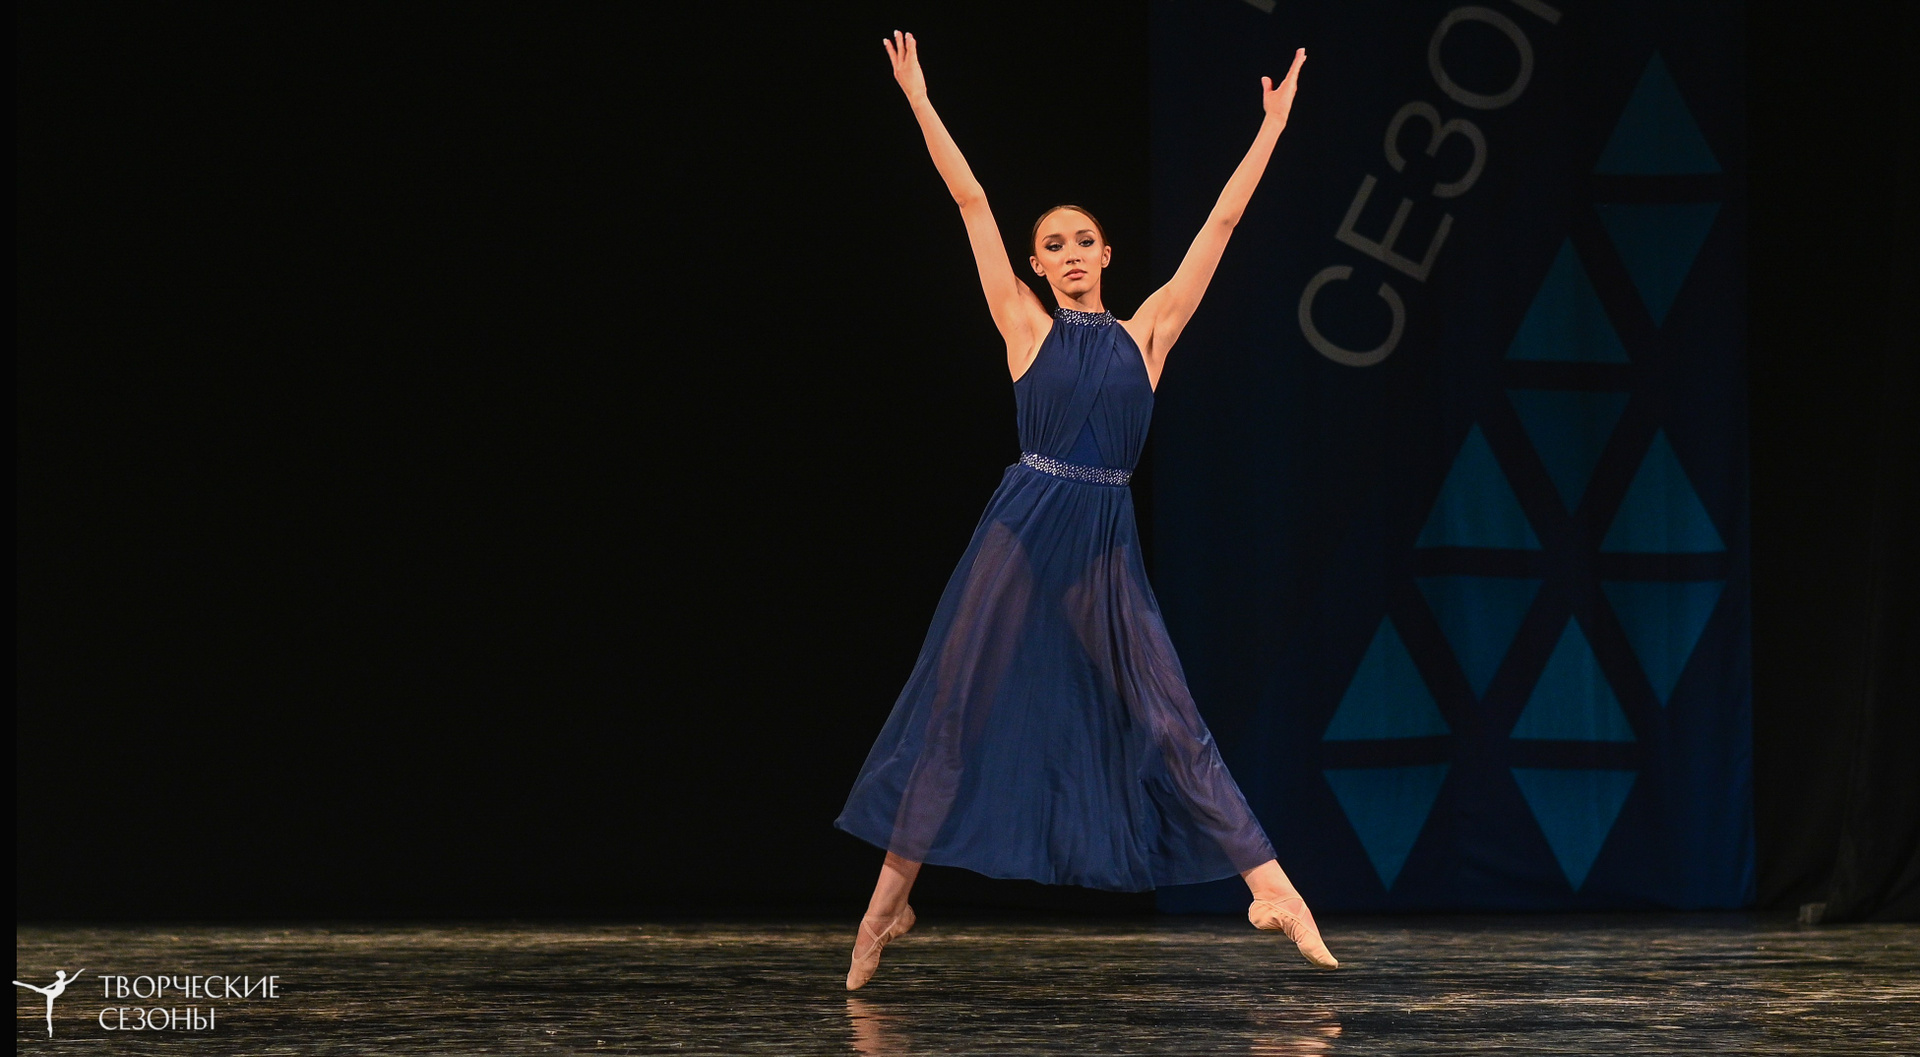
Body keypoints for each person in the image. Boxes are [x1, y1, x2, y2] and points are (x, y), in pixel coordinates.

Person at [834, 30, 1333, 991]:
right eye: (1052, 244)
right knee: (954, 713)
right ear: (1035, 263)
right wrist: (919, 98)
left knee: (1169, 714)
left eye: (1082, 241)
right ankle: (886, 903)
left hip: (1103, 541)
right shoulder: (1024, 325)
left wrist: (1271, 128)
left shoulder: (1149, 333)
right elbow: (970, 200)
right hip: (1023, 530)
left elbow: (1223, 224)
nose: (1069, 254)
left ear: (1108, 253)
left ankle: (1270, 888)